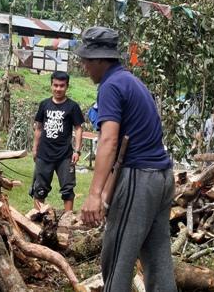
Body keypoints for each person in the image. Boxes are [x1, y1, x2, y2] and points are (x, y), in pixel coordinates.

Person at [77, 27, 176, 292]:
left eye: (87, 59)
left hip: (139, 178)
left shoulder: (111, 86)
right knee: (158, 260)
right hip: (162, 177)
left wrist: (95, 194)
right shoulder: (131, 81)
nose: (84, 66)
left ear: (100, 59)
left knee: (117, 258)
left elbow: (109, 141)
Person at [31, 71, 85, 211]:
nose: (58, 89)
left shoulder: (73, 107)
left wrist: (77, 151)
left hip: (65, 156)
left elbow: (79, 128)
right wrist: (35, 148)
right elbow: (38, 128)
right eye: (55, 85)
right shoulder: (44, 105)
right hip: (44, 154)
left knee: (67, 190)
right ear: (51, 85)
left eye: (62, 86)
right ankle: (36, 220)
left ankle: (67, 222)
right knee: (40, 189)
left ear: (67, 86)